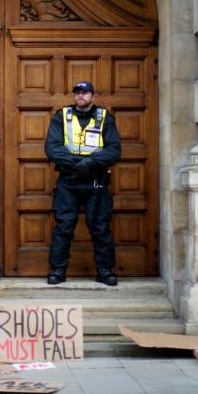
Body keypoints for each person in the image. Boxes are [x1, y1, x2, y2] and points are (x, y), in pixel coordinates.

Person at [44, 81, 122, 286]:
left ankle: (105, 271)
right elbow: (52, 148)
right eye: (77, 92)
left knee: (100, 227)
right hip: (68, 181)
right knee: (64, 227)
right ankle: (57, 270)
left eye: (85, 92)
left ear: (93, 96)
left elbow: (114, 149)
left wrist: (91, 162)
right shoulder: (61, 116)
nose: (80, 95)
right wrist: (79, 164)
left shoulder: (105, 118)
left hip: (96, 182)